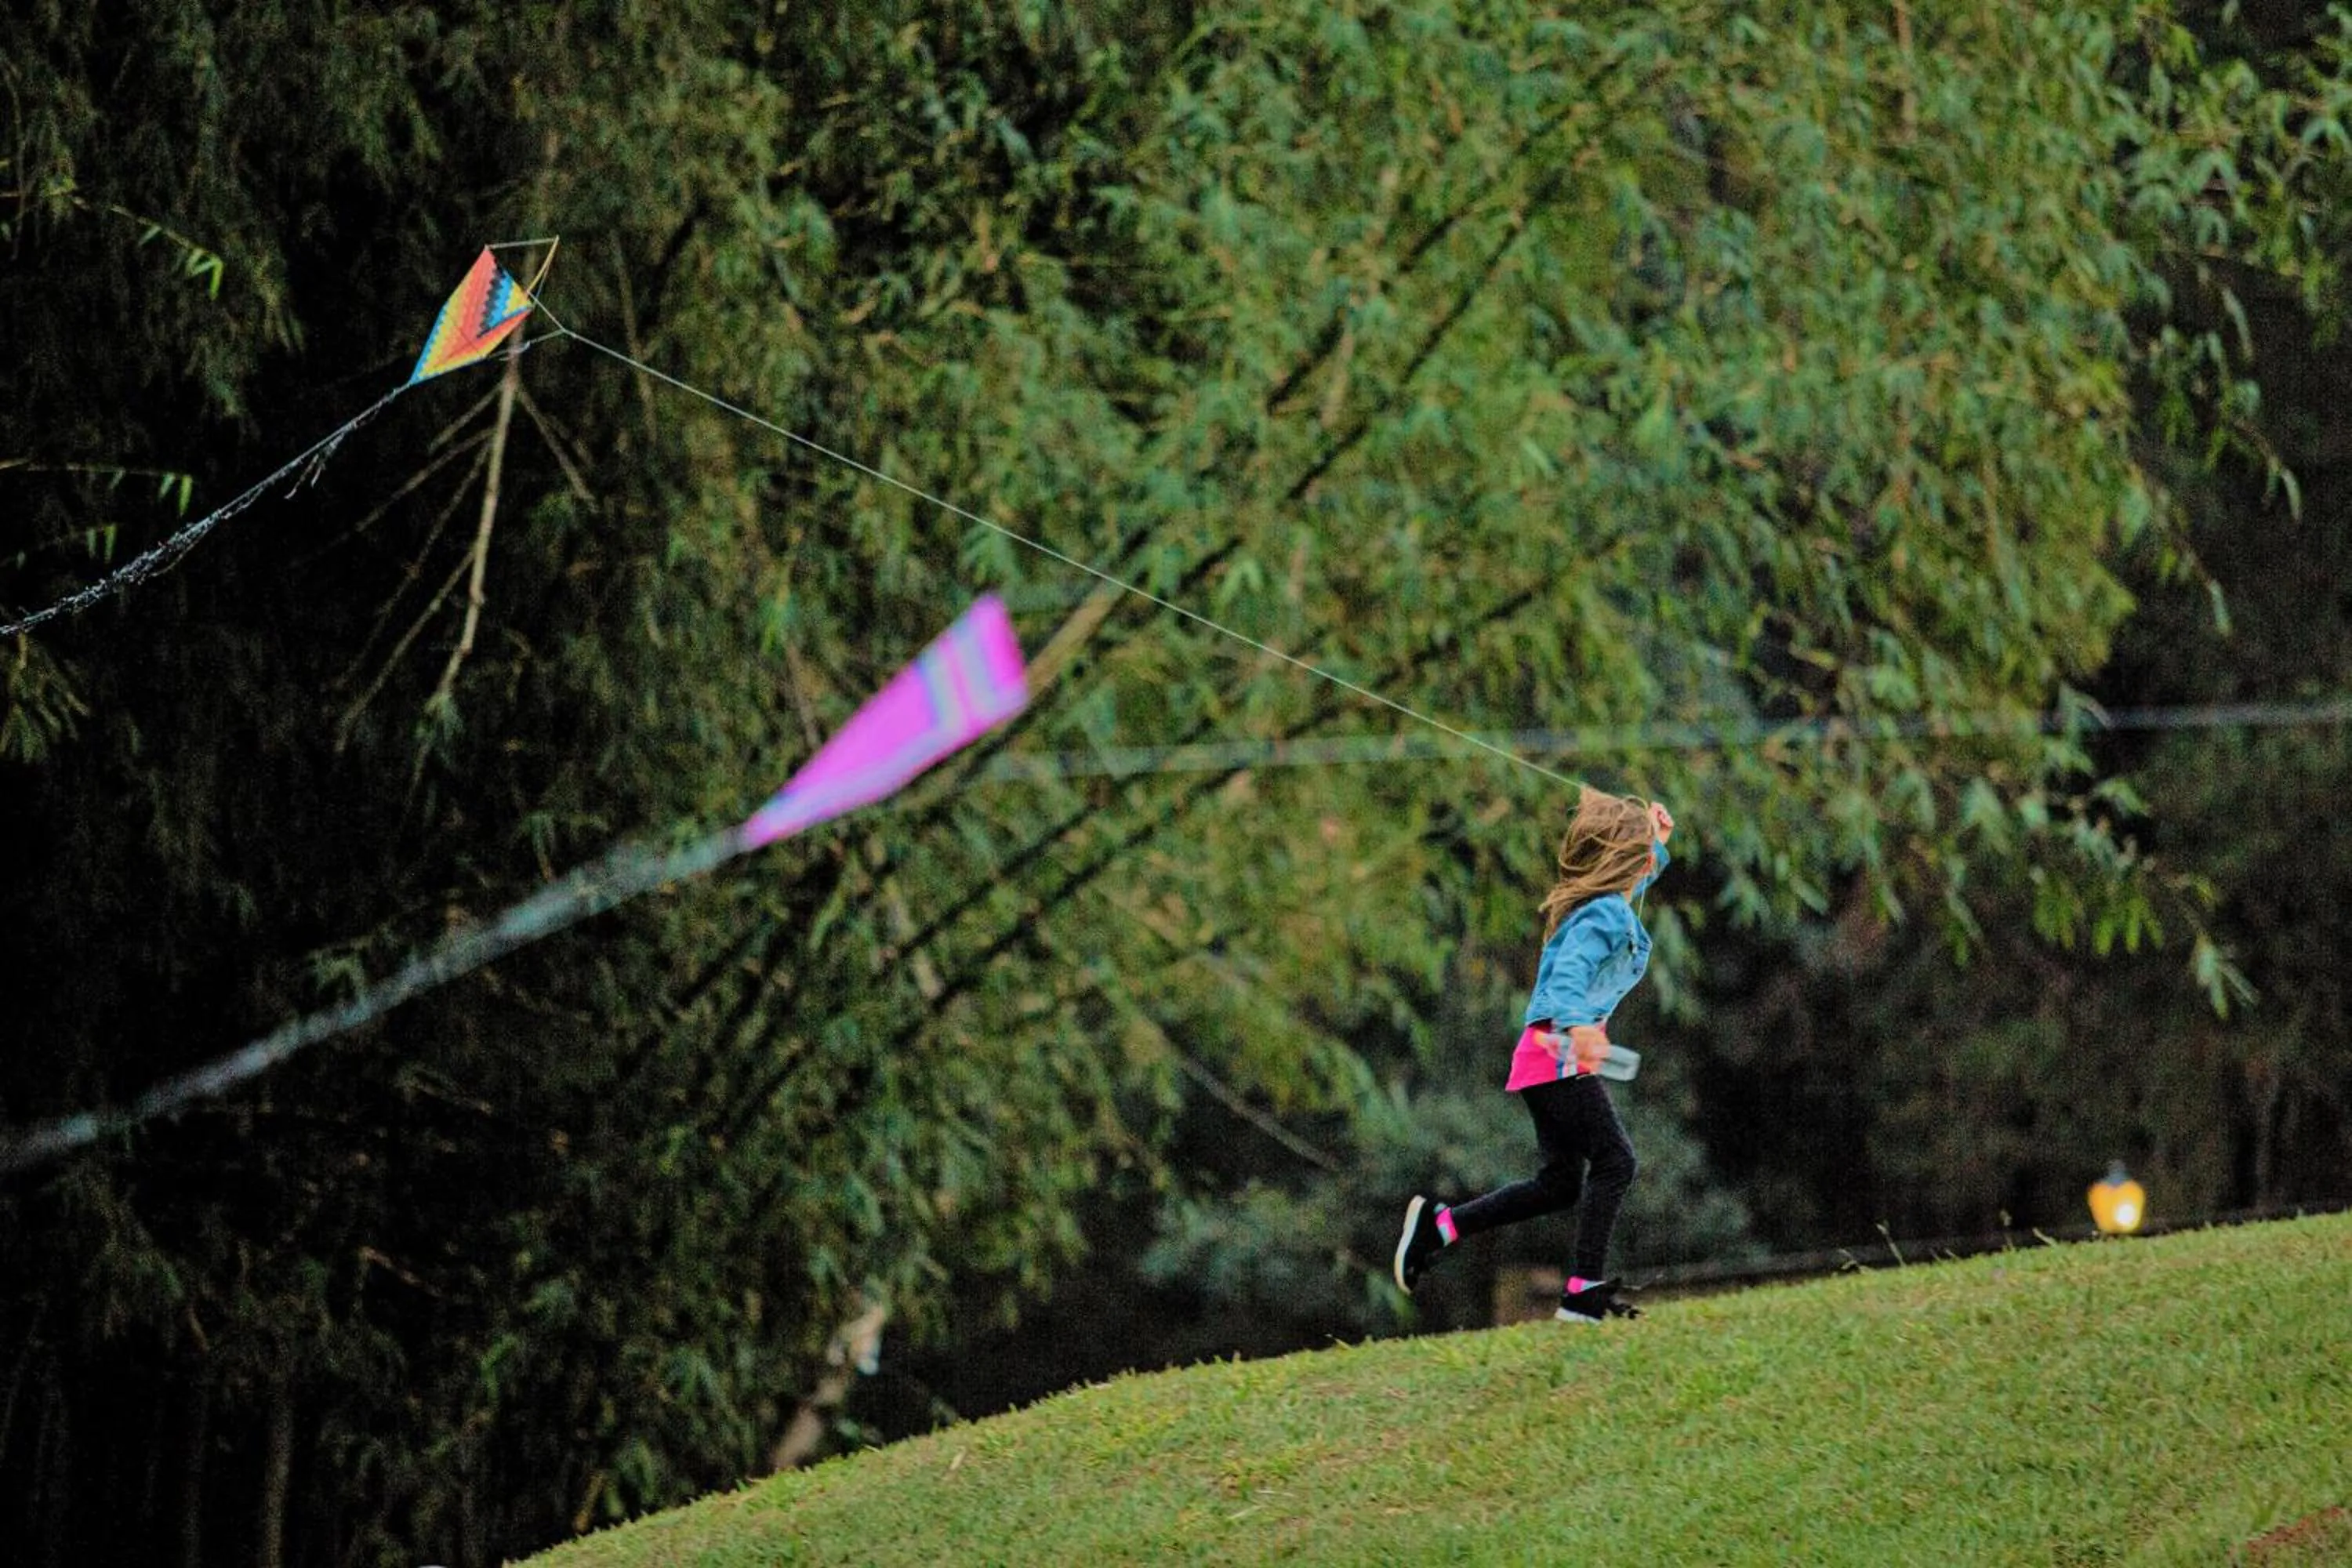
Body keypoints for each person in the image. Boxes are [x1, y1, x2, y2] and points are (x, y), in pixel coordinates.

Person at [1392, 788, 1675, 1323]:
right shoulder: (1604, 917)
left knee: (1560, 1185)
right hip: (1559, 1053)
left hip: (1540, 1060)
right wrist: (1579, 1028)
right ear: (1625, 861)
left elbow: (1629, 887)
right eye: (1644, 860)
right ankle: (1582, 1294)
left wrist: (1655, 844)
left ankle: (1440, 1226)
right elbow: (1569, 973)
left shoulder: (1599, 906)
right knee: (1617, 1161)